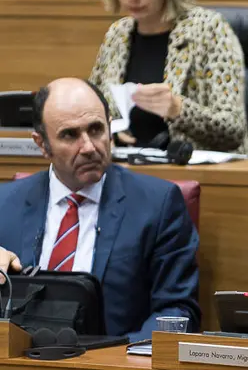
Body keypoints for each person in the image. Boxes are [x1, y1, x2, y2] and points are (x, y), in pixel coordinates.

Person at [0, 78, 201, 341]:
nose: (89, 147)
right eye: (69, 135)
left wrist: (121, 359)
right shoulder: (5, 203)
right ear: (41, 144)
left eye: (96, 129)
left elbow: (179, 311)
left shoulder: (158, 204)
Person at [89, 0, 248, 158]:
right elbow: (93, 109)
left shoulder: (209, 31)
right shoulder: (117, 36)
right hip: (131, 169)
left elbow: (233, 128)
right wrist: (109, 129)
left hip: (208, 174)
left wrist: (178, 109)